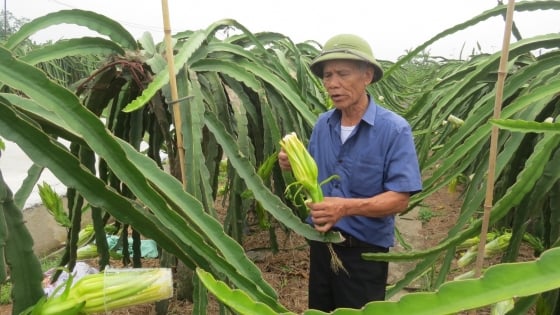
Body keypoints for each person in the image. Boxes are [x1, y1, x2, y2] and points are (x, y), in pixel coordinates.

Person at [278, 34, 422, 311]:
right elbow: (313, 176)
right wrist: (292, 162)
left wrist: (344, 208)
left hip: (365, 252)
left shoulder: (394, 130)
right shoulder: (323, 124)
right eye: (327, 75)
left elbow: (400, 200)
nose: (333, 83)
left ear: (367, 76)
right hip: (322, 243)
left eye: (343, 74)